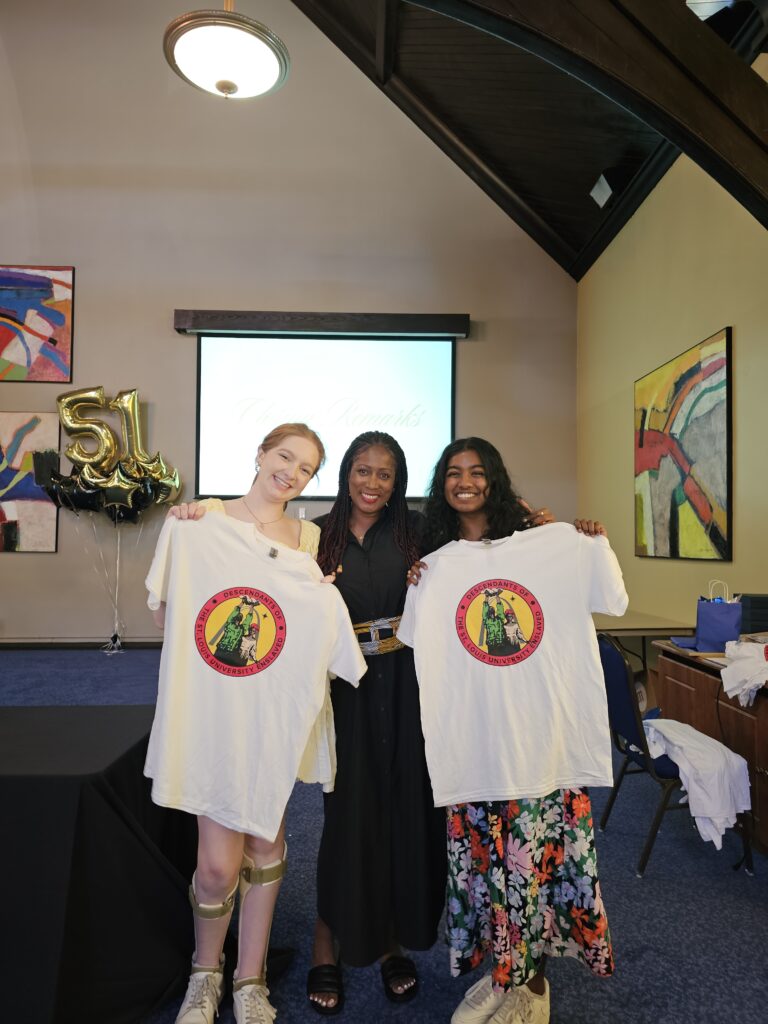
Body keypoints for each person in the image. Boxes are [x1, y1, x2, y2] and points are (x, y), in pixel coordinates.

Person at [308, 431, 556, 1016]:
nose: (372, 483)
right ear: (346, 473)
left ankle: (391, 940)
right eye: (362, 470)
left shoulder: (419, 532)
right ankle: (327, 938)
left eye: (385, 474)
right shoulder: (313, 535)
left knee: (407, 810)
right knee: (347, 812)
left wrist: (540, 528)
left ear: (398, 482)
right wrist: (202, 515)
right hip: (344, 688)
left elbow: (487, 549)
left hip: (414, 685)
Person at [398, 437, 627, 1024]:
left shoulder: (544, 542)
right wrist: (421, 580)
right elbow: (419, 638)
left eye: (477, 472)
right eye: (454, 472)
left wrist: (587, 541)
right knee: (488, 869)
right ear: (442, 486)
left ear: (495, 481)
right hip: (476, 748)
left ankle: (533, 986)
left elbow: (612, 599)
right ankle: (503, 975)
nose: (465, 481)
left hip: (541, 744)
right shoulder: (435, 563)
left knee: (535, 866)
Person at [147, 423, 366, 1024]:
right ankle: (204, 973)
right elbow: (169, 614)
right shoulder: (202, 520)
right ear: (261, 454)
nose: (291, 472)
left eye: (306, 468)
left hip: (272, 713)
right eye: (284, 456)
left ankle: (250, 978)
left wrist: (320, 595)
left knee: (266, 842)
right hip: (215, 709)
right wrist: (185, 535)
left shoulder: (310, 536)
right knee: (218, 863)